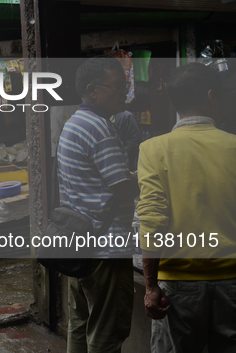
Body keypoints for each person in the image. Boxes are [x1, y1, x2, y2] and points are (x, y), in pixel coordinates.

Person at [136, 63, 236, 353]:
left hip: (179, 284)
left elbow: (153, 223)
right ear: (211, 96)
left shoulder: (154, 149)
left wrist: (151, 286)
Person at [58, 57, 139, 353]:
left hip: (80, 242)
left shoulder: (74, 123)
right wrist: (149, 176)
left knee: (81, 323)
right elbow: (123, 189)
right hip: (106, 249)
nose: (125, 93)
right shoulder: (102, 130)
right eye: (118, 87)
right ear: (93, 90)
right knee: (106, 333)